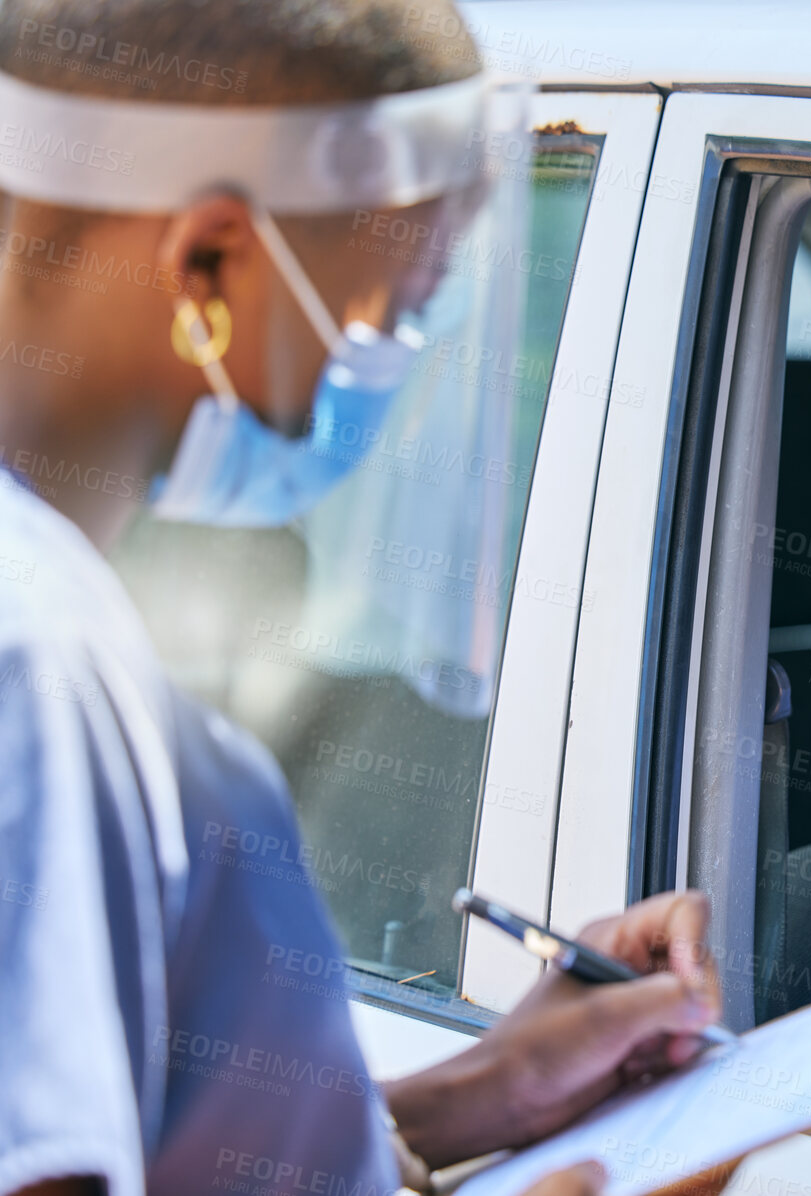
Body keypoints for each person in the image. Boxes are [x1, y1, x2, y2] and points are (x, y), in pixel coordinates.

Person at [0, 3, 727, 1195]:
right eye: (383, 310)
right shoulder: (36, 656)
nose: (372, 369)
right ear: (210, 261)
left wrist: (482, 1093)